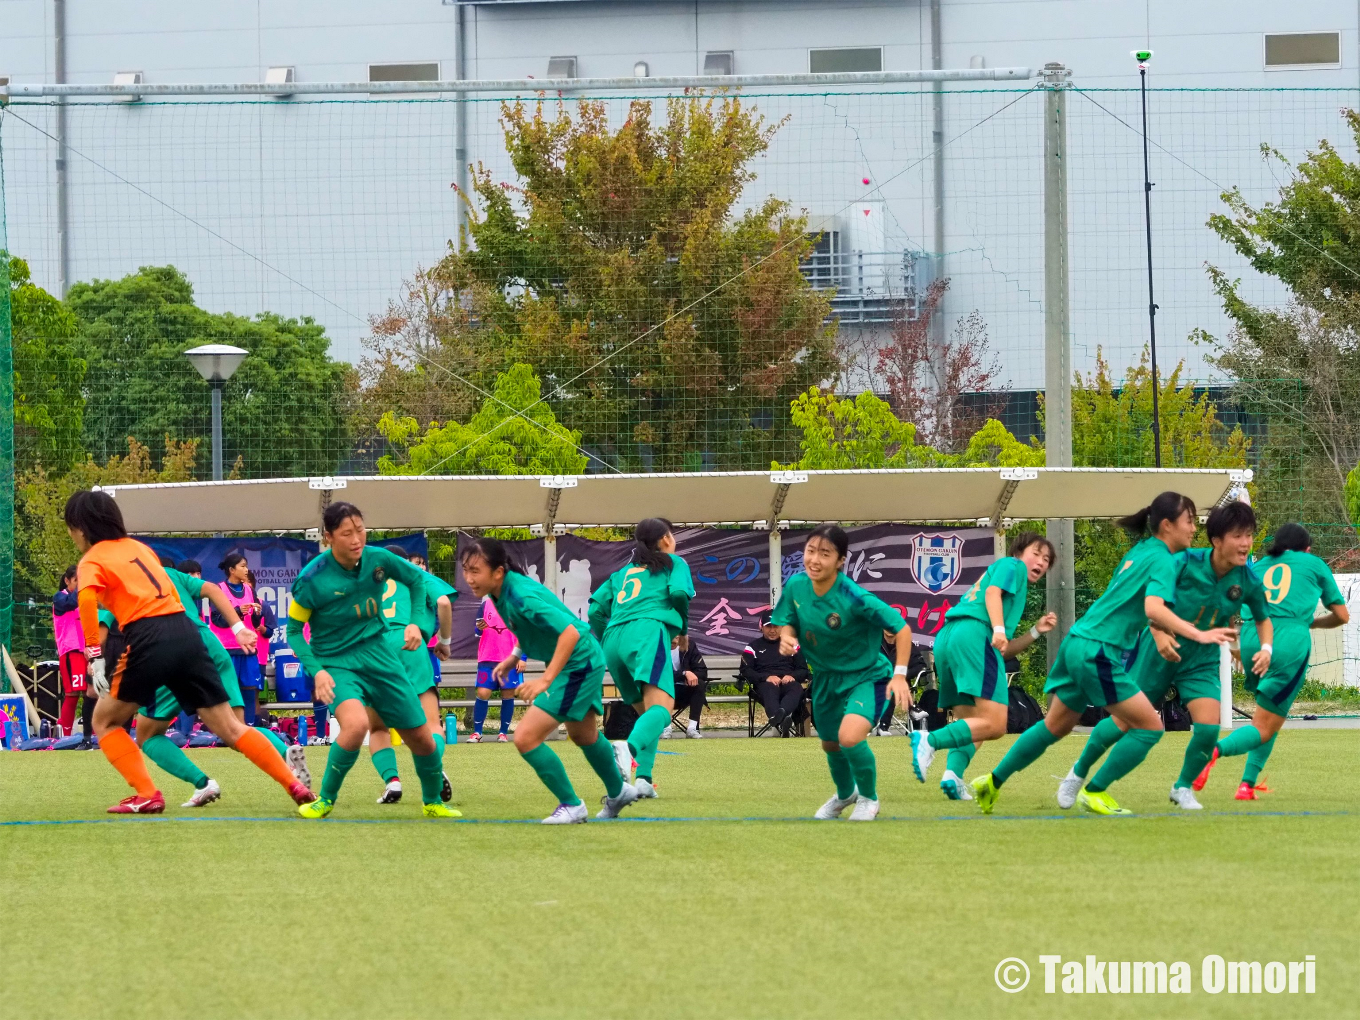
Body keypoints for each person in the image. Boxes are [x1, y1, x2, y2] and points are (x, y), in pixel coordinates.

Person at [970, 492, 1235, 816]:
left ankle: (992, 781)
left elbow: (1137, 606)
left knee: (1055, 726)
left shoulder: (1140, 552)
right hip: (1098, 651)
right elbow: (1153, 606)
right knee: (1150, 727)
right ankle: (1094, 792)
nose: (1194, 529)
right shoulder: (1164, 559)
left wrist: (1161, 629)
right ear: (1167, 525)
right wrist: (1197, 632)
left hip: (1076, 643)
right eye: (1189, 521)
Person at [64, 489, 313, 814]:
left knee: (105, 721)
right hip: (188, 634)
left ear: (80, 528)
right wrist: (238, 627)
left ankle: (147, 793)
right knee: (232, 728)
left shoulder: (92, 559)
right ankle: (292, 783)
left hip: (147, 637)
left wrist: (95, 657)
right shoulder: (139, 549)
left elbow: (86, 601)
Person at [1058, 501, 1272, 811]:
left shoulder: (1247, 580)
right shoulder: (1183, 562)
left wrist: (1265, 649)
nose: (1246, 543)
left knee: (1209, 727)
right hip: (1157, 652)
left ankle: (1181, 787)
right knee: (1123, 723)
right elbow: (1151, 600)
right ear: (1216, 540)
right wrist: (1158, 635)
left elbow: (1263, 619)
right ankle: (1077, 774)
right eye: (1238, 536)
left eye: (1249, 535)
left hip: (1201, 660)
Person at [286, 502, 459, 819]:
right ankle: (324, 799)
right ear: (328, 537)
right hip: (335, 660)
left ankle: (433, 801)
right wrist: (318, 671)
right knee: (356, 726)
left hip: (379, 653)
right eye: (347, 533)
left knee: (422, 737)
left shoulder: (379, 559)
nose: (357, 539)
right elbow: (294, 631)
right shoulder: (312, 579)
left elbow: (418, 581)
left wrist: (417, 624)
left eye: (361, 530)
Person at [463, 537, 638, 823]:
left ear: (498, 571)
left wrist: (545, 680)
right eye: (466, 570)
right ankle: (618, 791)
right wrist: (515, 654)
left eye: (475, 571)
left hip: (579, 663)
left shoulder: (519, 594)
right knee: (584, 735)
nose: (469, 578)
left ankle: (572, 805)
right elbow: (530, 626)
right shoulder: (501, 593)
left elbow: (569, 632)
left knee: (525, 738)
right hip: (579, 661)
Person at [133, 554, 310, 807]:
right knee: (238, 730)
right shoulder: (172, 576)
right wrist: (239, 628)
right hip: (215, 649)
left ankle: (202, 783)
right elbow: (213, 591)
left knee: (147, 734)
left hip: (177, 653)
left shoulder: (127, 584)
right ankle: (286, 755)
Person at [1195, 522, 1349, 799]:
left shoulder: (1258, 565)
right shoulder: (1312, 563)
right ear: (1308, 548)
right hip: (1288, 641)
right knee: (1265, 725)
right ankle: (1213, 751)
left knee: (1268, 719)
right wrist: (1311, 624)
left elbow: (1227, 603)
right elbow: (1342, 615)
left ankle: (1247, 784)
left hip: (1254, 636)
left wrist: (1235, 645)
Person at [772, 523, 913, 822]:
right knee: (830, 743)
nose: (815, 560)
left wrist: (900, 675)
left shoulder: (854, 596)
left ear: (840, 560)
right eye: (811, 551)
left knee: (849, 738)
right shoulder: (797, 585)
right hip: (825, 678)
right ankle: (845, 793)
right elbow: (789, 619)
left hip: (867, 676)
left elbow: (901, 628)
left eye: (825, 554)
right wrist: (787, 635)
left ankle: (869, 798)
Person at [909, 532, 1058, 799]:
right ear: (1019, 553)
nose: (1041, 562)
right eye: (1036, 553)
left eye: (1046, 559)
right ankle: (929, 740)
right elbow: (992, 593)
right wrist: (999, 628)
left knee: (974, 722)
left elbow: (1003, 649)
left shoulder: (1011, 583)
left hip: (951, 637)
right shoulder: (1012, 566)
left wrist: (1036, 631)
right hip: (973, 635)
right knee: (996, 724)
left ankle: (953, 776)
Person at [588, 518, 696, 799]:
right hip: (647, 632)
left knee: (647, 714)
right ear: (665, 539)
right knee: (662, 710)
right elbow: (680, 593)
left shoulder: (623, 573)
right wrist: (681, 630)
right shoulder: (674, 563)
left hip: (614, 639)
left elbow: (594, 613)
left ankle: (644, 779)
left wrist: (609, 641)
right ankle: (626, 750)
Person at [366, 545, 456, 805]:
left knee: (378, 727)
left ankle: (392, 782)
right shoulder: (415, 574)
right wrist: (445, 641)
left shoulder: (370, 578)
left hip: (376, 648)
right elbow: (443, 602)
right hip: (410, 645)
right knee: (430, 724)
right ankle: (434, 769)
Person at [211, 553, 264, 725]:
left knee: (249, 689)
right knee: (228, 691)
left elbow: (255, 623)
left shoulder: (250, 590)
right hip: (228, 650)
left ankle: (248, 727)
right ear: (232, 570)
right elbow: (217, 620)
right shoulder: (219, 589)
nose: (246, 569)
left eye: (246, 565)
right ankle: (228, 728)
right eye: (242, 566)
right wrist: (238, 611)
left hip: (248, 648)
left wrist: (257, 613)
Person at [740, 610, 809, 737]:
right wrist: (766, 677)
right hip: (765, 684)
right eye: (768, 627)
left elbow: (804, 670)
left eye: (776, 626)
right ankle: (783, 723)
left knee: (796, 688)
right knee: (769, 689)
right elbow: (745, 670)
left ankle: (780, 719)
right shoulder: (752, 647)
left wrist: (792, 676)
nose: (772, 630)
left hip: (788, 682)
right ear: (761, 627)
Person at [469, 594, 522, 743]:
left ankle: (503, 733)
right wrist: (479, 628)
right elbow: (477, 631)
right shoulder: (485, 605)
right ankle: (477, 732)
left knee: (508, 694)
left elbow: (523, 634)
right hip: (487, 658)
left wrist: (521, 658)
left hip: (510, 659)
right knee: (482, 692)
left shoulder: (515, 605)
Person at [52, 566, 91, 738]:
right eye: (77, 580)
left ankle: (93, 732)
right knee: (72, 693)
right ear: (67, 581)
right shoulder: (60, 598)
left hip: (87, 652)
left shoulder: (85, 599)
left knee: (91, 692)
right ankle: (64, 733)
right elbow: (71, 603)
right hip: (71, 651)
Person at [670, 635, 708, 739]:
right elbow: (656, 674)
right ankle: (665, 727)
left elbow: (703, 671)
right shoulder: (656, 645)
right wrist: (683, 674)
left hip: (684, 693)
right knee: (660, 685)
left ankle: (692, 728)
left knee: (699, 684)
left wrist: (690, 676)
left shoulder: (689, 645)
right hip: (663, 694)